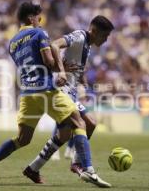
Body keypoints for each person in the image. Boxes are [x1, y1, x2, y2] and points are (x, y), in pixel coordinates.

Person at [0, 1, 111, 188]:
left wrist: (70, 72)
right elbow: (47, 60)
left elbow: (27, 66)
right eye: (39, 17)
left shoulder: (12, 43)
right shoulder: (39, 33)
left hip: (27, 93)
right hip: (45, 89)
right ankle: (86, 168)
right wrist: (61, 69)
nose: (40, 20)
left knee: (22, 139)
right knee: (80, 122)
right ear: (31, 18)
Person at [25, 15, 114, 178]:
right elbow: (55, 45)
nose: (106, 40)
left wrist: (83, 79)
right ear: (94, 31)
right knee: (91, 123)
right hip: (63, 90)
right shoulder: (79, 36)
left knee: (64, 136)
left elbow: (75, 65)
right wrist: (62, 70)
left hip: (71, 91)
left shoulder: (87, 44)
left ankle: (33, 168)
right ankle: (78, 163)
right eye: (105, 35)